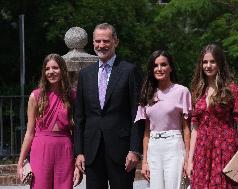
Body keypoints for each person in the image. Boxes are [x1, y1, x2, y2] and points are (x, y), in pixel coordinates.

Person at [74, 23, 143, 189]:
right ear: (92, 43)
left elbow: (137, 113)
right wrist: (79, 152)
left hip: (121, 150)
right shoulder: (85, 74)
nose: (101, 45)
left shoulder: (129, 71)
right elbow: (80, 117)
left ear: (115, 42)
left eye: (106, 41)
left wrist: (134, 149)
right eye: (97, 41)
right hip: (92, 150)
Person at [187, 44, 238, 188]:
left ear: (220, 63)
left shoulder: (232, 89)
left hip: (225, 147)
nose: (208, 65)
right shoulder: (197, 91)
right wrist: (190, 160)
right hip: (202, 150)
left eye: (212, 61)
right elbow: (195, 128)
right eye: (205, 62)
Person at [17, 54, 81, 189]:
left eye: (55, 68)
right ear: (44, 72)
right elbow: (29, 132)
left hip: (65, 149)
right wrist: (20, 162)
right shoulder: (35, 96)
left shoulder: (73, 96)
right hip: (41, 149)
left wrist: (78, 163)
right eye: (47, 69)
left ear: (62, 70)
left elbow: (77, 131)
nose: (51, 72)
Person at [135, 50, 191, 189]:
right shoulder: (147, 93)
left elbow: (187, 129)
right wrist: (145, 161)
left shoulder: (182, 91)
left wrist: (188, 160)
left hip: (174, 146)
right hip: (154, 147)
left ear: (170, 67)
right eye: (155, 65)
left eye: (163, 64)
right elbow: (147, 131)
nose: (159, 69)